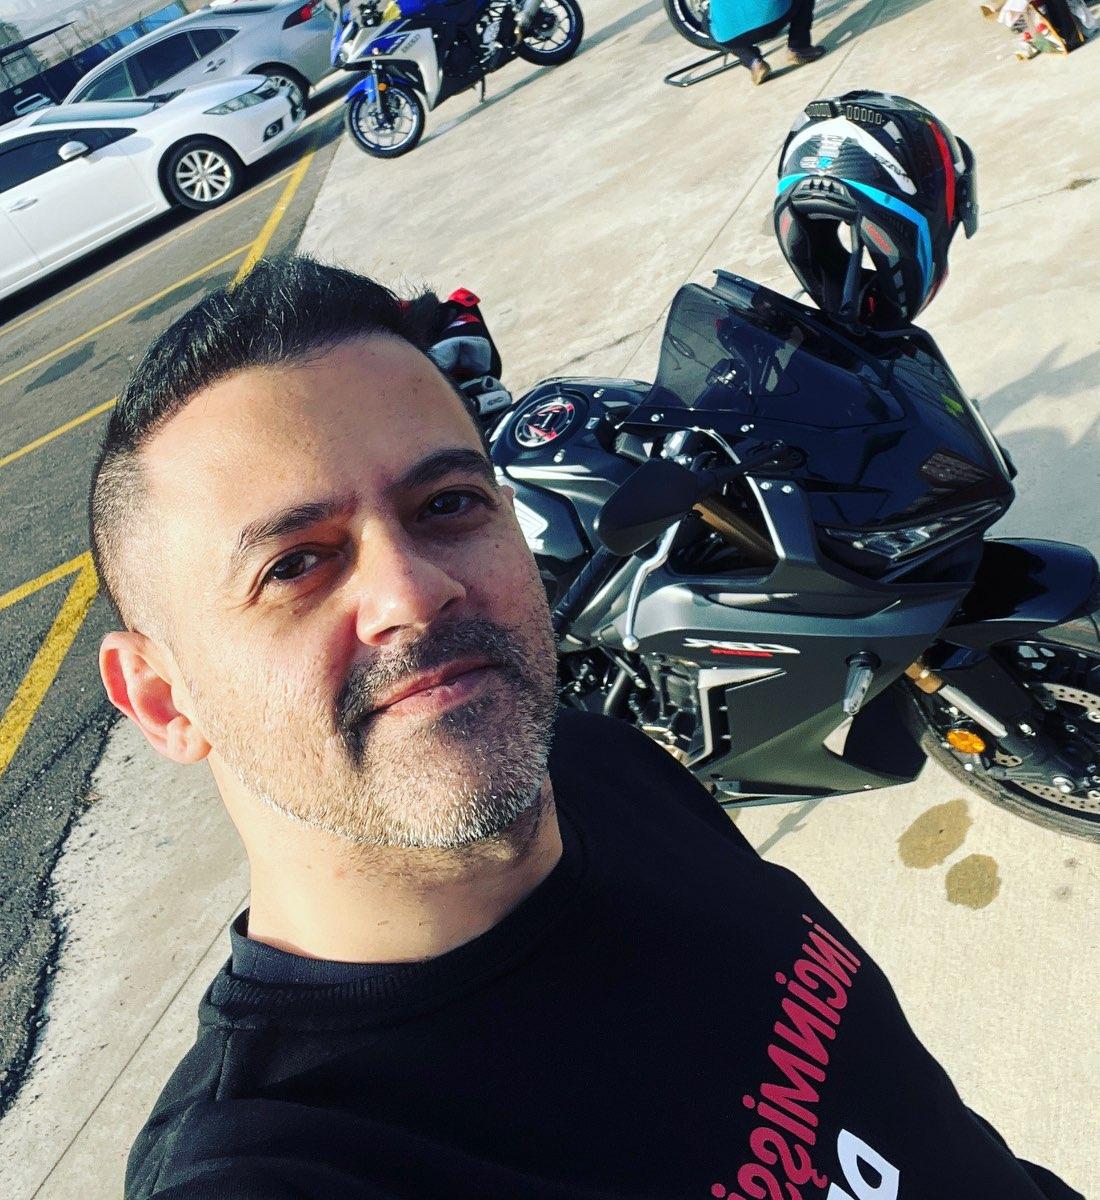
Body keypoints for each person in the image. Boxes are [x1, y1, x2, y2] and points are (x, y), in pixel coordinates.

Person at [91, 255, 1081, 1200]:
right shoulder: (284, 1160)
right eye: (295, 565)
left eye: (447, 504)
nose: (413, 592)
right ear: (162, 700)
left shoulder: (605, 766)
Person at [708, 0, 824, 85]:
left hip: (730, 38)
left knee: (710, 24)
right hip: (773, 17)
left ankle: (753, 61)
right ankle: (799, 47)